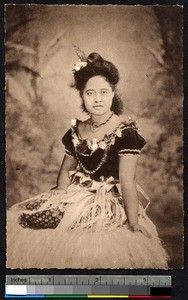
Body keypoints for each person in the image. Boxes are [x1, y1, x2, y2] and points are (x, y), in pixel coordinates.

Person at [7, 52, 168, 269]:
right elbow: (66, 170)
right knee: (27, 215)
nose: (97, 99)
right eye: (90, 93)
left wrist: (133, 222)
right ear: (82, 96)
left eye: (103, 92)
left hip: (107, 200)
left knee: (68, 226)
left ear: (113, 94)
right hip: (76, 195)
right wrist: (60, 192)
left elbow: (127, 182)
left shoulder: (125, 133)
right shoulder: (77, 130)